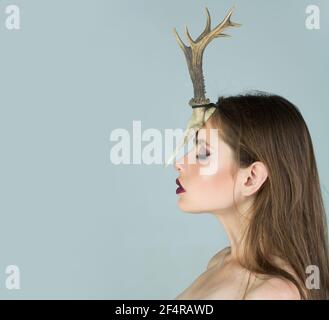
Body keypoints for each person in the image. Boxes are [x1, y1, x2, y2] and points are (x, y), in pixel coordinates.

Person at [174, 91, 329, 300]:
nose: (179, 162)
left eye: (204, 153)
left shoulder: (274, 294)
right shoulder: (220, 261)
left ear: (251, 178)